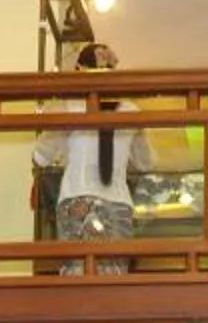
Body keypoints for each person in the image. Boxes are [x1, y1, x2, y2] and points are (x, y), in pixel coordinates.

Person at [30, 41, 150, 274]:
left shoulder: (70, 106)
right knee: (113, 280)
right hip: (118, 202)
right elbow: (146, 162)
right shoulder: (131, 111)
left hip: (77, 196)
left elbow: (40, 156)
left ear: (80, 71)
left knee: (78, 277)